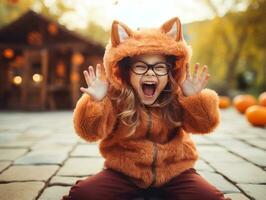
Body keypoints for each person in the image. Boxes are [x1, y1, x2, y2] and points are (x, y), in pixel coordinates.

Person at [62, 17, 230, 200]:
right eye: (141, 67)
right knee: (83, 194)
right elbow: (90, 132)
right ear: (126, 72)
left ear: (170, 72)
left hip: (175, 172)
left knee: (209, 197)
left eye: (159, 67)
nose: (150, 72)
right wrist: (96, 102)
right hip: (125, 173)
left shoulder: (177, 97)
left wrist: (193, 98)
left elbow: (204, 125)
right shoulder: (116, 98)